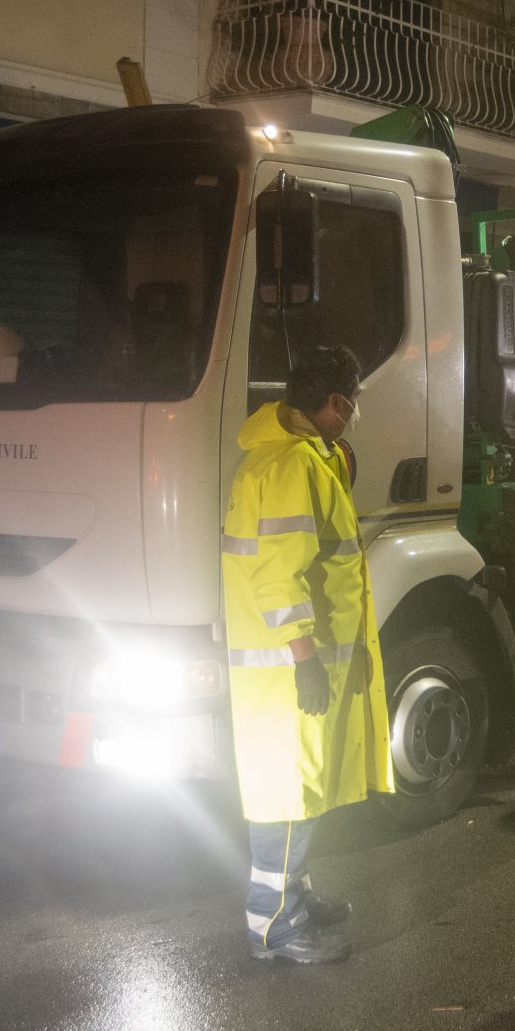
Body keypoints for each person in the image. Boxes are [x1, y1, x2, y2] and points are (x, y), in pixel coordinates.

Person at [221, 345, 394, 964]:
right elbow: (278, 577)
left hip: (287, 663)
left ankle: (294, 895)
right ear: (336, 403)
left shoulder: (284, 458)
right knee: (289, 790)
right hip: (288, 668)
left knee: (301, 786)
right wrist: (304, 658)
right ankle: (273, 926)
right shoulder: (293, 465)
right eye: (352, 403)